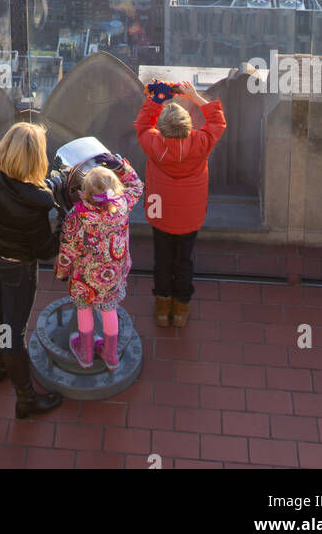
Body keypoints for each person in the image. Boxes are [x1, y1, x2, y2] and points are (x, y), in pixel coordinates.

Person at [0, 121, 63, 419]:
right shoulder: (38, 204)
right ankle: (25, 397)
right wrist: (61, 226)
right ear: (37, 159)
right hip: (18, 267)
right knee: (14, 329)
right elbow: (46, 250)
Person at [134, 78, 226, 328]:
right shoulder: (200, 144)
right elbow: (218, 121)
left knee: (162, 259)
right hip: (190, 215)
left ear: (161, 129)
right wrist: (195, 97)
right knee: (184, 260)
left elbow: (143, 124)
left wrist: (156, 100)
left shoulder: (153, 144)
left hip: (159, 210)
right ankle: (181, 307)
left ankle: (162, 308)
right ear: (188, 126)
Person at [54, 154, 143, 370]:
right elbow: (137, 185)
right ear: (115, 188)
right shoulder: (122, 205)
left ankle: (85, 353)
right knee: (109, 309)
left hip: (84, 277)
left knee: (84, 310)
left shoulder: (78, 216)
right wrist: (121, 165)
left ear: (84, 193)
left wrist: (61, 271)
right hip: (113, 273)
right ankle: (111, 355)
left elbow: (68, 249)